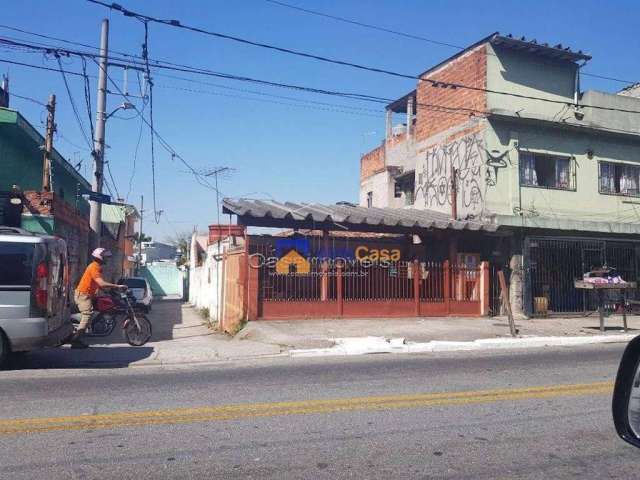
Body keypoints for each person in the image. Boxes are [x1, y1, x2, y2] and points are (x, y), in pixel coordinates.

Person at [71, 248, 126, 348]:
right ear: (99, 257)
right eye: (105, 257)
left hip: (89, 295)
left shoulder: (97, 267)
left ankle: (94, 327)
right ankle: (76, 340)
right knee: (88, 314)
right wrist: (117, 286)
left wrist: (108, 292)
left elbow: (98, 284)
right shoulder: (94, 267)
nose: (107, 259)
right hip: (83, 295)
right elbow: (101, 283)